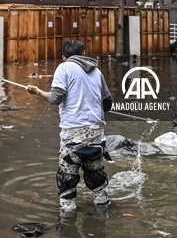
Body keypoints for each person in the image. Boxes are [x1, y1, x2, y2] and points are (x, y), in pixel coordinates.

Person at [26, 40, 113, 214]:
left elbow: (55, 99)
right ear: (84, 53)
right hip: (96, 136)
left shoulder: (64, 68)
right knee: (97, 179)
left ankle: (67, 221)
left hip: (72, 137)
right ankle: (102, 214)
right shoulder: (97, 71)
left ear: (64, 57)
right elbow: (107, 103)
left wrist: (37, 92)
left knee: (67, 181)